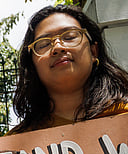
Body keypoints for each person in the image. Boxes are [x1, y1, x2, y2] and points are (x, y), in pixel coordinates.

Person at [9, 4, 128, 134]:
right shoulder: (17, 145)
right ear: (32, 65)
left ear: (94, 52)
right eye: (44, 44)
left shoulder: (124, 113)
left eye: (70, 37)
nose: (58, 47)